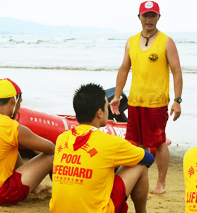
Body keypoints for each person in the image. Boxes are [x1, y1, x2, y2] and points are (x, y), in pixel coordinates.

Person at [110, 0, 183, 194]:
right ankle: (139, 180)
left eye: (153, 15)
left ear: (159, 17)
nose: (149, 19)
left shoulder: (166, 41)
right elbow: (124, 69)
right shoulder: (131, 41)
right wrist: (117, 96)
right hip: (135, 101)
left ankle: (161, 184)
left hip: (157, 103)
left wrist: (177, 100)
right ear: (139, 17)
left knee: (159, 143)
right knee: (137, 144)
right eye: (145, 15)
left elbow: (177, 71)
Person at [50, 83, 155, 213]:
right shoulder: (109, 142)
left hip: (58, 210)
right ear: (100, 113)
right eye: (107, 106)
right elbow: (149, 158)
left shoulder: (62, 138)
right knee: (140, 164)